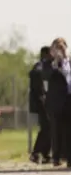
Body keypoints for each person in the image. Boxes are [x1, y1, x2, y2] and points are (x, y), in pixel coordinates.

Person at [46, 38, 71, 168]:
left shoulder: (69, 62)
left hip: (69, 99)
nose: (61, 51)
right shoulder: (49, 64)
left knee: (69, 130)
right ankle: (56, 157)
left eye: (62, 48)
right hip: (56, 102)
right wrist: (56, 62)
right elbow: (46, 76)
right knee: (56, 130)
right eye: (58, 48)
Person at [28, 46, 53, 164]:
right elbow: (35, 72)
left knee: (49, 127)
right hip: (40, 101)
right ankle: (36, 153)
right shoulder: (39, 66)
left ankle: (45, 154)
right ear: (45, 54)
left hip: (46, 101)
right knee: (46, 126)